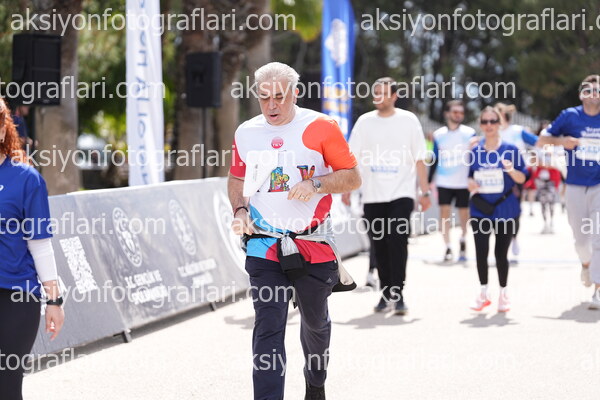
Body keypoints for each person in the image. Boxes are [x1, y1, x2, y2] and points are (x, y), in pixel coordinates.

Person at [228, 62, 361, 400]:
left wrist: (316, 184)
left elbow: (352, 176)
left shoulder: (321, 126)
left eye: (279, 97)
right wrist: (240, 210)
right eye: (264, 97)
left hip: (312, 242)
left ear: (295, 93)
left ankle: (315, 382)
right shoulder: (246, 132)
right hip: (264, 243)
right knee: (268, 327)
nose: (271, 105)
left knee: (315, 323)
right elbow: (237, 177)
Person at [345, 77, 431, 315]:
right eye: (376, 92)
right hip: (372, 195)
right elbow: (351, 158)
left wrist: (424, 192)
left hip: (402, 193)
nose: (378, 97)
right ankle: (385, 293)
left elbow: (419, 158)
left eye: (383, 93)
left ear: (394, 96)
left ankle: (398, 293)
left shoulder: (408, 120)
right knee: (379, 245)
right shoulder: (364, 122)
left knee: (398, 241)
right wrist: (347, 189)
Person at [0, 98, 64, 399]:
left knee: (7, 384)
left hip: (16, 295)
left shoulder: (27, 179)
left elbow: (40, 246)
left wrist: (55, 301)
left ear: (3, 129)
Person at [538, 74, 600, 309]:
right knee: (581, 241)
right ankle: (586, 264)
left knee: (598, 237)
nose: (593, 94)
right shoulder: (569, 116)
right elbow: (542, 140)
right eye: (588, 90)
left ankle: (598, 289)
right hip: (574, 185)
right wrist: (562, 141)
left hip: (599, 185)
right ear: (581, 95)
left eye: (597, 90)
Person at [468, 106, 527, 312]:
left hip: (505, 208)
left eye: (493, 121)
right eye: (485, 121)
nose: (489, 125)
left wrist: (510, 170)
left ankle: (503, 293)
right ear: (480, 125)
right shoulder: (475, 151)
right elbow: (469, 176)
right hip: (480, 209)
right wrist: (470, 183)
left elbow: (522, 178)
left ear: (500, 123)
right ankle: (483, 293)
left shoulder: (511, 149)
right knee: (481, 252)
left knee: (501, 254)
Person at [428, 100, 475, 262]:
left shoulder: (470, 133)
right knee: (444, 215)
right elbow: (434, 158)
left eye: (461, 112)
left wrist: (473, 177)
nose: (458, 115)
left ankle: (463, 239)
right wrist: (428, 181)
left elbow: (475, 157)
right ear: (447, 114)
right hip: (444, 181)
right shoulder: (438, 134)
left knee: (464, 214)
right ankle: (447, 246)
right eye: (455, 112)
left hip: (463, 182)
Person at [494, 103, 539, 263]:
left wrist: (535, 159)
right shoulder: (492, 132)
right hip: (495, 178)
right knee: (495, 210)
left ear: (503, 115)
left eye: (496, 115)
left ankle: (513, 238)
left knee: (514, 210)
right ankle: (500, 245)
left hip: (515, 177)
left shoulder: (518, 131)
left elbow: (538, 142)